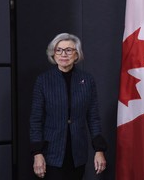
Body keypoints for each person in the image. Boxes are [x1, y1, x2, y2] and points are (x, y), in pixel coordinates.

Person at [29, 33, 107, 179]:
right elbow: (36, 120)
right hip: (51, 153)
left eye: (68, 50)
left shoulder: (87, 80)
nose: (63, 54)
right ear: (53, 54)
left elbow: (93, 117)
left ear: (76, 54)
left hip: (77, 153)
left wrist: (99, 150)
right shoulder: (43, 81)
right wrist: (37, 153)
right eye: (59, 50)